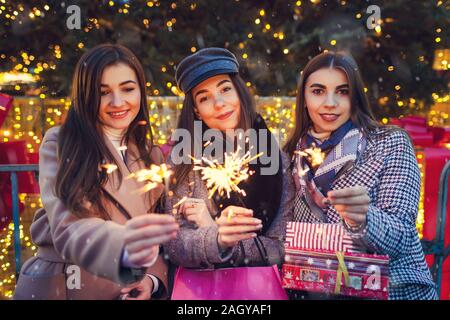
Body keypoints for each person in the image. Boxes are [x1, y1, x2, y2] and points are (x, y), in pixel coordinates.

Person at [14, 44, 179, 300]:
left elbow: (157, 236)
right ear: (86, 95)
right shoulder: (61, 142)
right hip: (66, 286)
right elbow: (70, 229)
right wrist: (124, 249)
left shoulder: (150, 154)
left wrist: (151, 279)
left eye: (127, 89)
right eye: (103, 92)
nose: (117, 102)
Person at [283, 51, 437, 300]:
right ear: (304, 98)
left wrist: (364, 219)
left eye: (342, 92)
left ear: (355, 97)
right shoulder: (291, 156)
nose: (330, 103)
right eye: (318, 91)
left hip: (391, 290)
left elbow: (402, 237)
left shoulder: (390, 143)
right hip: (314, 291)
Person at [163, 48, 294, 288]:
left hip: (258, 292)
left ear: (240, 91)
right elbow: (172, 244)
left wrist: (216, 232)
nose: (219, 103)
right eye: (204, 98)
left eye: (225, 89)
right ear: (196, 111)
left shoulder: (278, 160)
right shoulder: (183, 161)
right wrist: (216, 240)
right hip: (199, 292)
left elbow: (281, 246)